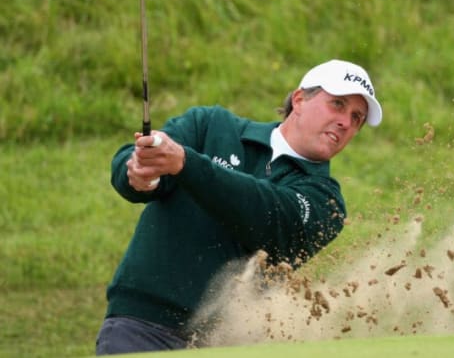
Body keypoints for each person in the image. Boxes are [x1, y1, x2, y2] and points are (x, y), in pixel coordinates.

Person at [95, 59, 382, 355]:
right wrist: (140, 173)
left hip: (231, 346)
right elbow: (134, 164)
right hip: (141, 327)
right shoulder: (210, 126)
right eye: (337, 104)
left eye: (357, 117)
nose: (346, 122)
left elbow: (266, 214)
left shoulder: (326, 201)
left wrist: (187, 164)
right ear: (299, 100)